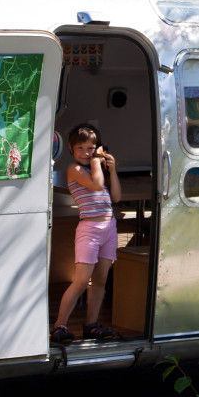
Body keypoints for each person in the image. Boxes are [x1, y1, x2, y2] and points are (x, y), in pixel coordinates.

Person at [51, 123, 122, 343]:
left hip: (108, 227)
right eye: (80, 148)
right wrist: (96, 162)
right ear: (71, 150)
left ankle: (91, 324)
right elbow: (98, 185)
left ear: (98, 148)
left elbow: (116, 197)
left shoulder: (97, 170)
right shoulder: (75, 170)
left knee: (100, 279)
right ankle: (59, 326)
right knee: (82, 280)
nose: (85, 153)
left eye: (91, 148)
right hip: (89, 229)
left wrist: (112, 169)